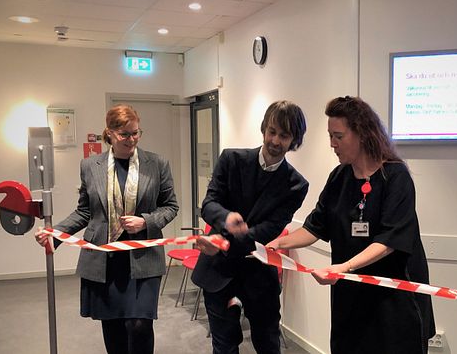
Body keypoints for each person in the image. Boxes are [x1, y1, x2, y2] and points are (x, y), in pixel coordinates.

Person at [267, 96, 435, 354]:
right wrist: (278, 243)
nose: (332, 144)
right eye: (330, 136)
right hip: (350, 298)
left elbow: (389, 241)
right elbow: (314, 227)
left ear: (363, 134)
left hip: (393, 302)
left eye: (339, 136)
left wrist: (345, 267)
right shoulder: (339, 178)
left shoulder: (395, 177)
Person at [35, 104, 178, 354]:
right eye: (125, 134)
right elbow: (85, 211)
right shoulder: (90, 166)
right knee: (112, 327)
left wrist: (145, 221)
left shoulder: (156, 164)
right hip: (105, 260)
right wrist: (56, 233)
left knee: (139, 325)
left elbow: (170, 206)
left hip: (143, 258)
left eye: (136, 133)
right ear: (109, 133)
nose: (131, 139)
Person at [191, 100, 308, 354]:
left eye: (284, 136)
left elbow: (269, 230)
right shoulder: (231, 159)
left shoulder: (296, 185)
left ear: (294, 140)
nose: (275, 141)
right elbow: (209, 204)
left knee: (268, 344)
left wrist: (222, 244)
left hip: (259, 275)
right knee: (224, 346)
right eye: (272, 132)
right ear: (264, 129)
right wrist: (226, 217)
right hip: (218, 273)